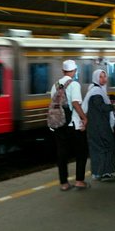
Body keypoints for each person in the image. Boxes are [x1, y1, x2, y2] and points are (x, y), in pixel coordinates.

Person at [50, 60, 89, 191]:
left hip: (58, 123)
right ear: (75, 71)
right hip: (72, 124)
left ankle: (64, 183)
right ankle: (79, 181)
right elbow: (76, 103)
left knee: (62, 154)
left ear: (63, 71)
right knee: (81, 152)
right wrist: (84, 118)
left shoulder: (54, 85)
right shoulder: (74, 84)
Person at [82, 69, 115, 182]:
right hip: (100, 126)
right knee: (106, 147)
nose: (103, 79)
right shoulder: (97, 92)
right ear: (96, 78)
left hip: (95, 126)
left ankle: (98, 173)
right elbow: (101, 107)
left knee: (97, 149)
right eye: (101, 77)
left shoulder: (94, 90)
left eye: (105, 76)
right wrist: (114, 106)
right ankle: (105, 172)